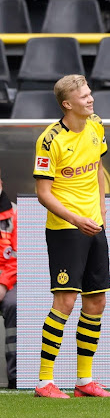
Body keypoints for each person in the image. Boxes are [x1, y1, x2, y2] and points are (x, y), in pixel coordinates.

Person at [32, 75, 110, 398]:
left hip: (94, 225)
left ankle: (84, 381)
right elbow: (43, 193)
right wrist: (74, 218)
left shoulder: (96, 125)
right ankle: (44, 381)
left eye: (90, 93)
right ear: (67, 104)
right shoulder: (50, 140)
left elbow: (96, 167)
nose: (90, 99)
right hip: (66, 228)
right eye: (83, 96)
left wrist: (102, 210)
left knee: (96, 301)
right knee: (65, 301)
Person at [0, 167, 17, 389]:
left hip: (8, 281)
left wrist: (3, 284)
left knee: (16, 304)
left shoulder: (14, 214)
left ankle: (15, 376)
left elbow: (16, 257)